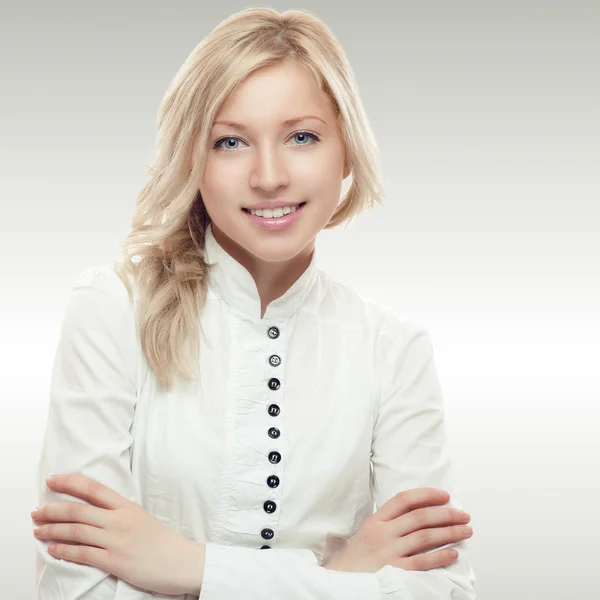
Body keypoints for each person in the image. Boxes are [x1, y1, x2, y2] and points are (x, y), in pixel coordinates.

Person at [32, 7, 476, 599]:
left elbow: (442, 591)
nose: (269, 176)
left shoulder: (392, 349)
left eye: (302, 136)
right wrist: (340, 578)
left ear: (346, 150)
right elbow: (77, 590)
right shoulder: (112, 309)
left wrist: (185, 567)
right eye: (231, 141)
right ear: (195, 159)